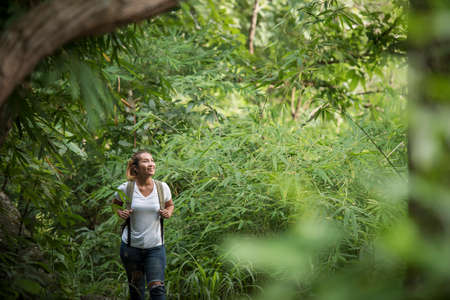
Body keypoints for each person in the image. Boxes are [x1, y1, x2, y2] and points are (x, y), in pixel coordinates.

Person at [112, 150, 174, 300]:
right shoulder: (126, 188)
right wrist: (120, 213)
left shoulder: (162, 187)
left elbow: (170, 205)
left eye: (152, 160)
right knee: (137, 292)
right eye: (145, 161)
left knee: (157, 290)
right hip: (131, 249)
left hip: (155, 248)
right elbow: (115, 205)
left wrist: (168, 212)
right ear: (136, 168)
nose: (151, 164)